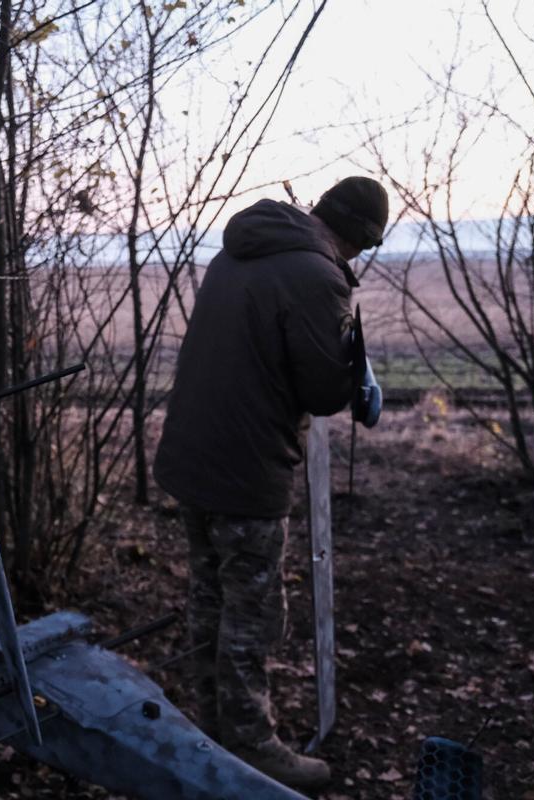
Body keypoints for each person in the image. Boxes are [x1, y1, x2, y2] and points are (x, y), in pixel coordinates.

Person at [152, 176, 388, 791]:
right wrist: (354, 373)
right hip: (247, 469)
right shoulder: (315, 273)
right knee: (250, 614)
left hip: (194, 459)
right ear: (360, 238)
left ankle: (213, 733)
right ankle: (253, 748)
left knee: (209, 600)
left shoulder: (239, 251)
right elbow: (321, 390)